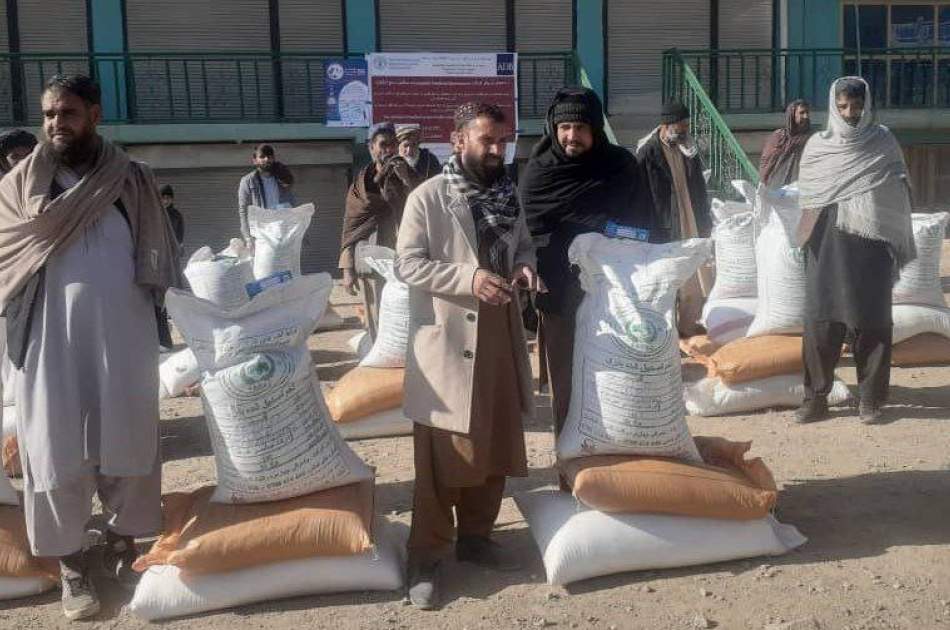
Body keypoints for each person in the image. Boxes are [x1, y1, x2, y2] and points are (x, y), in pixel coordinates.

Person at [0, 74, 181, 620]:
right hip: (45, 333)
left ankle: (125, 545)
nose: (58, 124)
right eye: (51, 114)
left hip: (123, 332)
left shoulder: (132, 181)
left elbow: (162, 255)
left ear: (95, 115)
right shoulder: (18, 186)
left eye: (69, 113)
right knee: (52, 446)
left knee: (129, 435)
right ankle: (72, 563)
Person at [396, 102, 541, 610]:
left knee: (496, 437)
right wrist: (469, 278)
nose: (497, 150)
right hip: (447, 337)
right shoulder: (428, 197)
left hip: (499, 329)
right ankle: (427, 556)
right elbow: (408, 265)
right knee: (443, 452)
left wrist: (523, 268)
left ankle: (477, 538)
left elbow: (522, 246)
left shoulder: (507, 194)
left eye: (502, 141)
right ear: (457, 141)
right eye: (487, 140)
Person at [520, 87, 652, 455]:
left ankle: (621, 449)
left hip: (615, 291)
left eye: (580, 127)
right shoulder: (541, 168)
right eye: (564, 127)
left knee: (616, 374)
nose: (571, 136)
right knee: (568, 380)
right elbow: (528, 227)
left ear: (595, 129)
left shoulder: (620, 166)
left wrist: (602, 237)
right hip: (559, 291)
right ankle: (570, 456)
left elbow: (643, 223)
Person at [794, 77, 915, 425]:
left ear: (867, 105)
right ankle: (815, 398)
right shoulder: (819, 145)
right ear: (834, 106)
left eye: (857, 106)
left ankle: (871, 400)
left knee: (872, 320)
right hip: (827, 241)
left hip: (871, 243)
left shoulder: (883, 141)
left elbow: (899, 188)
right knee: (821, 321)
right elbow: (810, 193)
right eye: (844, 106)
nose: (850, 113)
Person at [636, 101, 712, 336]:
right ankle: (667, 334)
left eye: (686, 125)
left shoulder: (688, 147)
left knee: (693, 277)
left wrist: (705, 220)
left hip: (689, 217)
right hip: (663, 225)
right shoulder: (648, 151)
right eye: (681, 125)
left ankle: (688, 328)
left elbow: (698, 186)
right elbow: (640, 194)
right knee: (667, 281)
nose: (684, 130)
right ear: (666, 124)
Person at [237, 143, 296, 248]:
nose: (266, 159)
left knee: (284, 263)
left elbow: (291, 203)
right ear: (254, 160)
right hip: (261, 234)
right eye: (262, 157)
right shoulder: (248, 181)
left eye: (270, 156)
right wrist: (248, 238)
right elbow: (243, 210)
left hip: (282, 231)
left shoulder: (281, 179)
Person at [759, 99, 812, 187]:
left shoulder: (811, 138)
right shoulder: (779, 137)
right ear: (792, 115)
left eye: (807, 113)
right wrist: (763, 183)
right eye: (801, 113)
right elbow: (767, 161)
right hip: (777, 186)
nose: (806, 116)